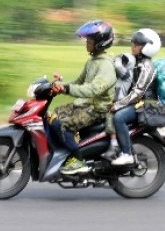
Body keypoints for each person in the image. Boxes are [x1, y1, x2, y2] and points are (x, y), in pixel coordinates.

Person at [48, 20, 117, 175]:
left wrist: (67, 88)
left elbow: (92, 90)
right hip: (85, 105)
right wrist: (59, 86)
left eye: (90, 40)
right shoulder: (92, 61)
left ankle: (78, 160)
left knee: (62, 124)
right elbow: (78, 82)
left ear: (100, 43)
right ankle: (68, 147)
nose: (87, 42)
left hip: (96, 109)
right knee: (52, 115)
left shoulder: (105, 65)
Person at [109, 28, 161, 165]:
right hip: (139, 104)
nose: (133, 46)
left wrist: (118, 105)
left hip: (146, 106)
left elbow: (138, 93)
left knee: (119, 117)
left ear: (147, 47)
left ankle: (127, 154)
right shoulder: (137, 63)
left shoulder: (147, 66)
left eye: (136, 44)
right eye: (133, 43)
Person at [102, 53, 136, 160]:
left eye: (125, 61)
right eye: (123, 61)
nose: (123, 63)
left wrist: (117, 58)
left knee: (110, 116)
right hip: (115, 100)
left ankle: (114, 144)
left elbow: (117, 66)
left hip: (120, 102)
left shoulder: (127, 74)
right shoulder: (119, 74)